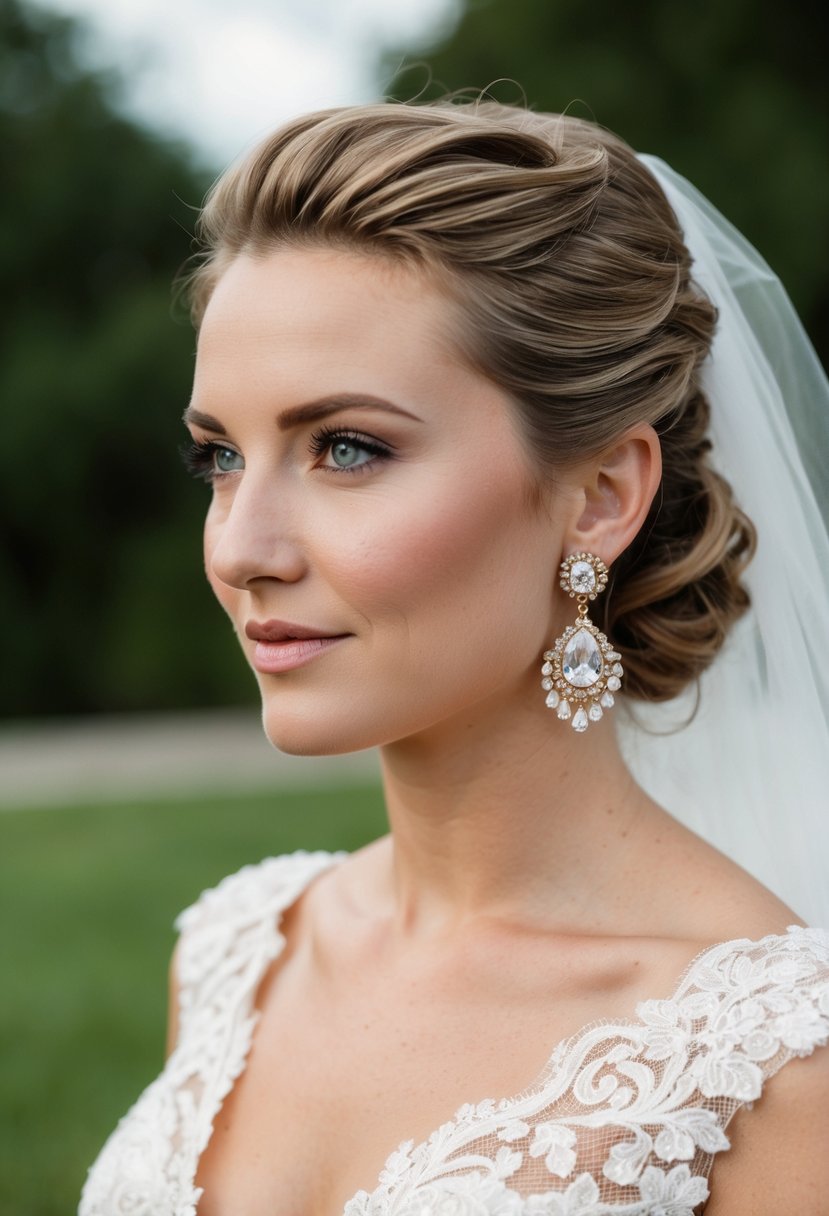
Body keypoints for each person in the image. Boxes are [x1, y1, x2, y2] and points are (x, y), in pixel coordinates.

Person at [79, 101, 829, 1216]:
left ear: (599, 496)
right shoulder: (243, 949)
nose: (240, 549)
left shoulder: (773, 1071)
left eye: (346, 448)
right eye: (220, 458)